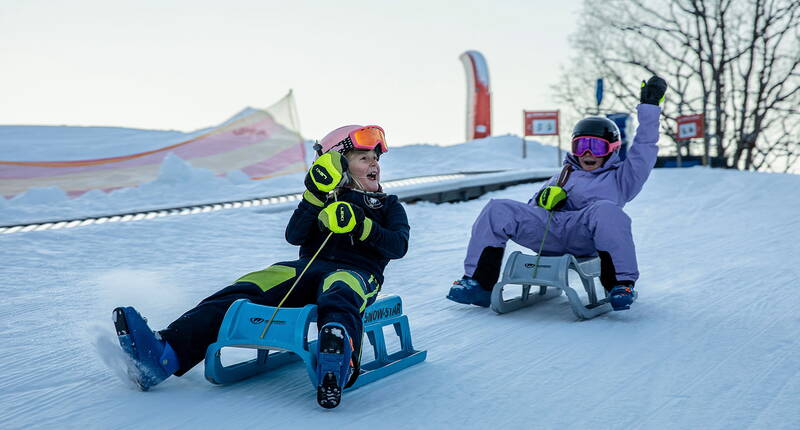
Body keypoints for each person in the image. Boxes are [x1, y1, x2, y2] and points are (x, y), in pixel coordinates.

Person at [112, 125, 410, 409]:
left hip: (358, 273)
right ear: (339, 166)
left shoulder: (388, 205)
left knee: (340, 291)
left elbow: (398, 245)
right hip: (305, 269)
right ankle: (166, 353)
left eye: (375, 158)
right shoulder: (322, 198)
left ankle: (338, 356)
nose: (374, 164)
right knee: (249, 285)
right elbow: (294, 235)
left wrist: (362, 225)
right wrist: (315, 197)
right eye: (363, 158)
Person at [446, 76, 668, 311]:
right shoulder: (564, 174)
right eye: (581, 146)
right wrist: (542, 200)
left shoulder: (623, 177)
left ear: (611, 149)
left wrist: (650, 108)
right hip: (550, 232)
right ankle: (478, 283)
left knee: (606, 210)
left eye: (597, 146)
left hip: (586, 236)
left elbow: (644, 147)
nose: (588, 153)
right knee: (497, 208)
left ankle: (620, 285)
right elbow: (532, 211)